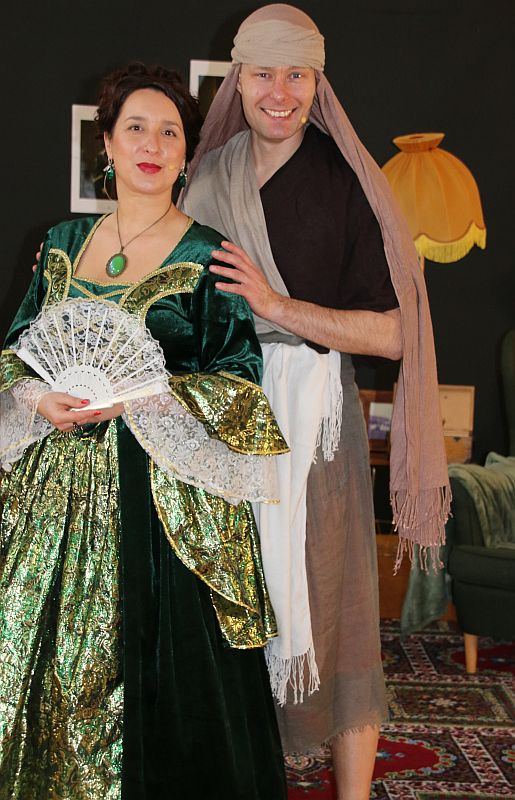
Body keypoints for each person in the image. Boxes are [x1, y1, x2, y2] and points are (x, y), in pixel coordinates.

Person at [0, 62, 289, 799]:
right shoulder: (60, 243)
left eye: (169, 132)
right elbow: (15, 352)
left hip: (159, 501)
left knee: (163, 673)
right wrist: (38, 398)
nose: (152, 145)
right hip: (50, 495)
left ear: (187, 153)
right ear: (107, 143)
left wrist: (145, 397)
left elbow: (238, 379)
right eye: (136, 128)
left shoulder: (210, 255)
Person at [182, 5, 450, 799]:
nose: (279, 92)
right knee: (220, 611)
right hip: (219, 424)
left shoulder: (349, 182)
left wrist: (276, 306)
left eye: (296, 74)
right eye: (263, 73)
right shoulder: (207, 177)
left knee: (341, 615)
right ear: (238, 78)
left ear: (316, 81)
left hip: (319, 432)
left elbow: (394, 334)